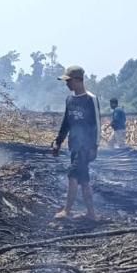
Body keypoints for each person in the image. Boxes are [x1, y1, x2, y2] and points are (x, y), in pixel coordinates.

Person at [51, 65, 101, 221]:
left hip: (85, 146)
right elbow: (66, 123)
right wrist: (58, 142)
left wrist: (95, 147)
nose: (67, 84)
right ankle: (91, 214)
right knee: (84, 180)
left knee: (72, 175)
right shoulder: (70, 99)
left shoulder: (90, 99)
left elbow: (97, 124)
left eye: (69, 81)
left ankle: (66, 210)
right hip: (74, 145)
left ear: (79, 80)